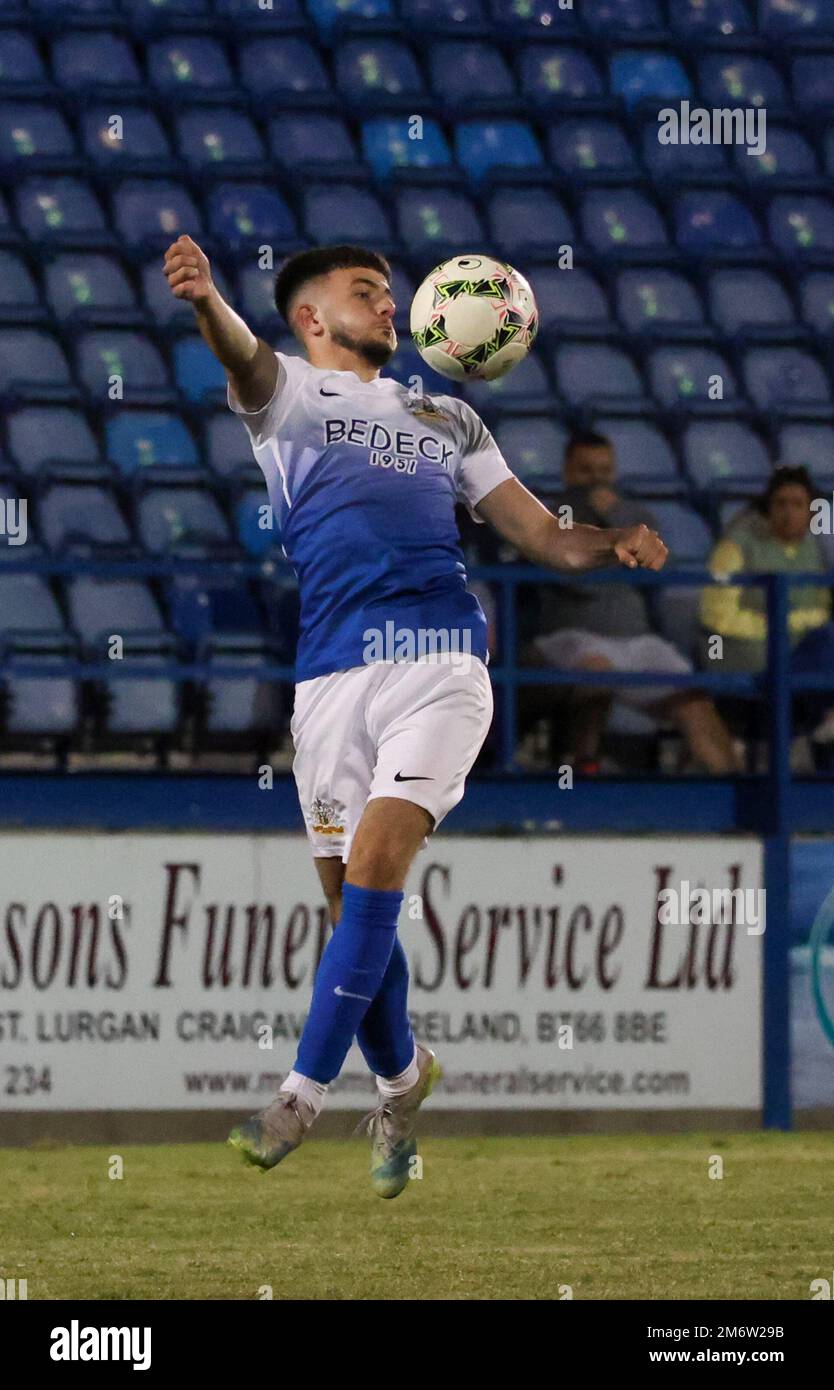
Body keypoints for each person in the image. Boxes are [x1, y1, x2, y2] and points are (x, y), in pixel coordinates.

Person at [162, 238, 668, 1198]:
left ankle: (297, 1101)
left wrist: (612, 542)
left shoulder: (450, 416)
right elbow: (240, 353)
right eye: (366, 293)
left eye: (392, 294)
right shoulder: (291, 401)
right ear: (312, 318)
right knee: (354, 907)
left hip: (438, 662)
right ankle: (401, 1081)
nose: (389, 307)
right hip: (329, 685)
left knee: (378, 863)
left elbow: (544, 539)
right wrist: (206, 298)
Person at [524, 432, 738, 774]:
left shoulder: (632, 514)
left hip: (636, 639)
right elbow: (564, 569)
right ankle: (582, 774)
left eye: (604, 470)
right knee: (597, 672)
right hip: (573, 635)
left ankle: (732, 790)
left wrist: (616, 513)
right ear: (566, 471)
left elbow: (658, 560)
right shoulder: (549, 512)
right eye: (585, 470)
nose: (595, 479)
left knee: (692, 696)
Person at [700, 465, 834, 748]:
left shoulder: (815, 549)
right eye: (781, 503)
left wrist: (799, 624)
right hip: (747, 652)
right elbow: (716, 614)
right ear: (767, 507)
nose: (789, 513)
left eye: (798, 505)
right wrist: (779, 625)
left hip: (802, 652)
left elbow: (822, 610)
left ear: (811, 511)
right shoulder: (737, 546)